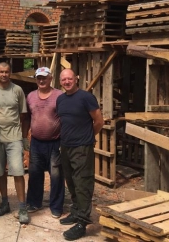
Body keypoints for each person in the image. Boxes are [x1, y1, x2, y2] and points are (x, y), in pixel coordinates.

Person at [57, 69, 104, 241]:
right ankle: (76, 212)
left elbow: (99, 121)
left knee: (82, 183)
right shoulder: (61, 99)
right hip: (66, 147)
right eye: (64, 79)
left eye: (70, 78)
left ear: (76, 78)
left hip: (82, 148)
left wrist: (88, 137)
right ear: (60, 81)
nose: (67, 81)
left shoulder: (86, 97)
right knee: (71, 181)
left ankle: (83, 223)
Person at [0, 62, 29, 224]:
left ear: (10, 73)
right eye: (1, 72)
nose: (4, 75)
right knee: (0, 172)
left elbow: (23, 115)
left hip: (14, 138)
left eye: (7, 72)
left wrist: (23, 137)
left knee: (18, 172)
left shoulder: (17, 90)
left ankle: (22, 207)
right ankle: (4, 203)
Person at [23, 67, 65, 219]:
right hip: (36, 142)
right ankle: (34, 202)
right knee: (34, 173)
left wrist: (64, 140)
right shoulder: (31, 96)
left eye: (44, 78)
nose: (41, 80)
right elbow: (27, 117)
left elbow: (65, 118)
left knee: (56, 175)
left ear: (51, 78)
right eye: (38, 78)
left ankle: (56, 206)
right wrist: (24, 136)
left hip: (55, 142)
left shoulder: (59, 96)